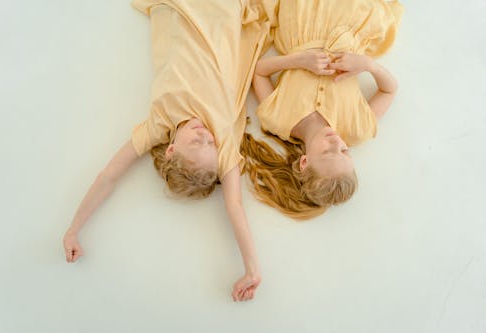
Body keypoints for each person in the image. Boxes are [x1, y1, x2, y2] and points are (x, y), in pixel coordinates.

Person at [63, 0, 271, 302]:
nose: (204, 135)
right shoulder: (224, 139)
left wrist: (74, 228)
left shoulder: (159, 123)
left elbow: (109, 176)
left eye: (195, 142)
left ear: (171, 150)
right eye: (210, 142)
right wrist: (253, 269)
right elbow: (235, 205)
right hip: (222, 12)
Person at [241, 0, 403, 220]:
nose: (337, 142)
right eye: (344, 151)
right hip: (350, 21)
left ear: (304, 161)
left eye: (328, 151)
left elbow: (259, 72)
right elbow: (389, 90)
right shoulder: (357, 129)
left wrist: (299, 60)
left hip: (302, 20)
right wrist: (367, 65)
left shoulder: (277, 119)